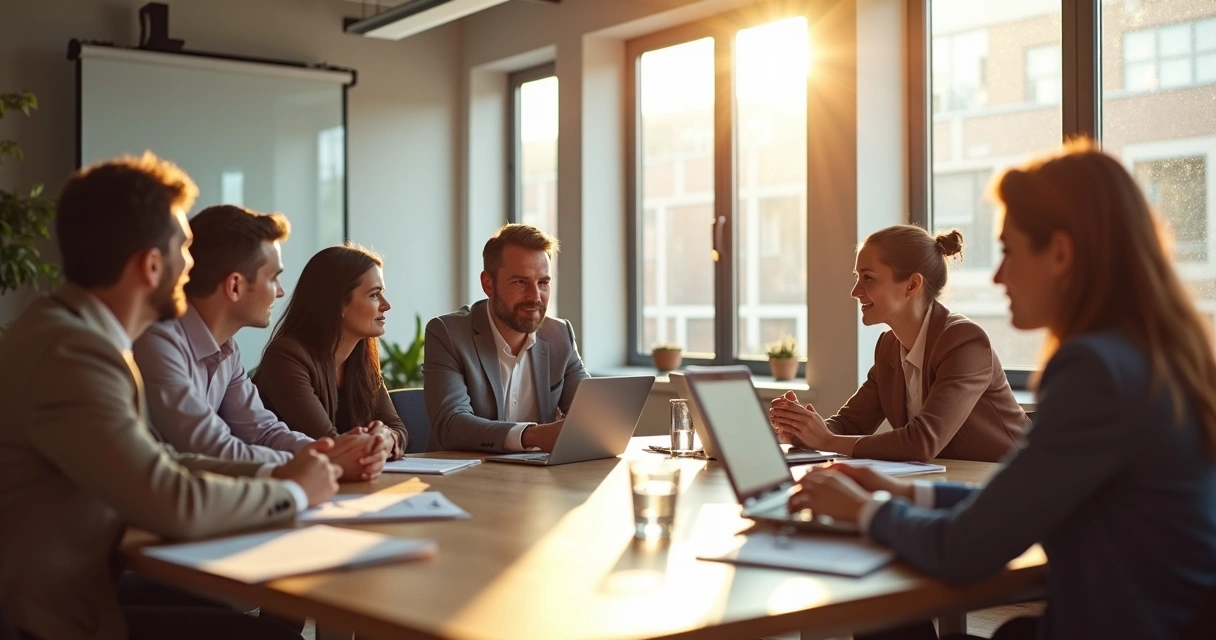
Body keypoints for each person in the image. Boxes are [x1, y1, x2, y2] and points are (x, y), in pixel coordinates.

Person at [790, 140, 1216, 639]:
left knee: (878, 608)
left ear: (1061, 253)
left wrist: (863, 509)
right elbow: (1008, 504)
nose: (997, 275)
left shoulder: (1095, 372)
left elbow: (964, 548)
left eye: (1009, 251)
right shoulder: (1151, 357)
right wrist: (900, 490)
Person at [0, 153, 342, 640]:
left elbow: (160, 461)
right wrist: (294, 492)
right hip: (52, 618)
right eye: (183, 247)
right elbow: (173, 501)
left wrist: (278, 473)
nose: (192, 264)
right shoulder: (73, 353)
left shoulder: (70, 333)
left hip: (86, 585)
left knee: (267, 611)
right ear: (152, 264)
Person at [132, 205, 390, 480]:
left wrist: (331, 452)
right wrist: (325, 460)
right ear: (235, 286)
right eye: (273, 278)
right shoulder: (158, 342)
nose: (280, 291)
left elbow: (263, 431)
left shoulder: (227, 350)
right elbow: (210, 446)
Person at [769, 225, 1026, 462]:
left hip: (1014, 483)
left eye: (868, 278)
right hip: (950, 482)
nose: (855, 291)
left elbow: (922, 442)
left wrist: (826, 440)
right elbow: (849, 424)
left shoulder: (964, 342)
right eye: (857, 277)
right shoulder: (888, 347)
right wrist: (802, 430)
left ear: (912, 285)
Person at [423, 223, 589, 453]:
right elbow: (451, 424)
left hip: (540, 472)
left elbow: (591, 415)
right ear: (488, 284)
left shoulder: (560, 335)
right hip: (466, 471)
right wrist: (532, 436)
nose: (535, 297)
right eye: (521, 282)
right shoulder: (448, 334)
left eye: (543, 283)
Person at [254, 244, 408, 458]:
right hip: (291, 476)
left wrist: (386, 439)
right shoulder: (286, 357)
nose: (386, 305)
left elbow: (398, 429)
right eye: (374, 295)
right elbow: (325, 443)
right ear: (339, 304)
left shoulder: (361, 359)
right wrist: (376, 446)